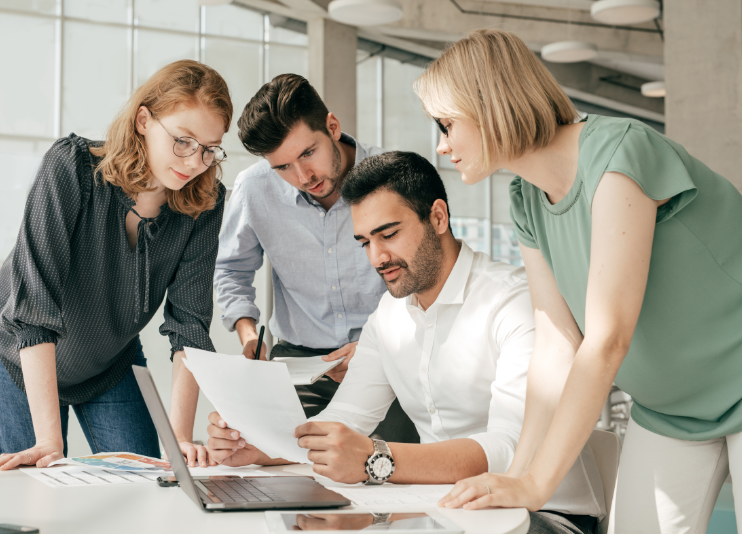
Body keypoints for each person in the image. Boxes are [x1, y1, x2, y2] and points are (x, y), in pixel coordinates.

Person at [415, 28, 742, 534]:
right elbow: (557, 345)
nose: (441, 145)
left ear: (488, 104)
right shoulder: (526, 198)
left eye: (446, 124)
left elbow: (607, 338)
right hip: (670, 412)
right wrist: (516, 479)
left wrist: (538, 485)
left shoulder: (617, 155)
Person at [207, 151, 605, 534]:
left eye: (389, 234)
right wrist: (262, 448)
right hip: (440, 511)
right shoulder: (388, 315)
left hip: (541, 516)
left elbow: (511, 449)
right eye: (364, 242)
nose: (377, 257)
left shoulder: (514, 301)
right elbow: (346, 418)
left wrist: (377, 460)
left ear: (437, 217)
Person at [0, 60, 232, 471]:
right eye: (183, 141)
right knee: (36, 486)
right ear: (143, 120)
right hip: (22, 355)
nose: (193, 163)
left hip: (111, 361)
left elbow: (189, 325)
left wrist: (180, 438)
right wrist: (49, 439)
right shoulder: (73, 168)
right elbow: (34, 309)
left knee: (146, 485)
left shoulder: (205, 203)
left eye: (209, 150)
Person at [214, 74, 418, 443]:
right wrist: (248, 334)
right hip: (297, 363)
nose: (303, 176)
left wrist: (381, 347)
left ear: (333, 127)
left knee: (387, 466)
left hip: (386, 357)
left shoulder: (392, 180)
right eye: (283, 167)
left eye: (308, 153)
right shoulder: (254, 188)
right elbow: (231, 270)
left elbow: (425, 277)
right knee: (263, 454)